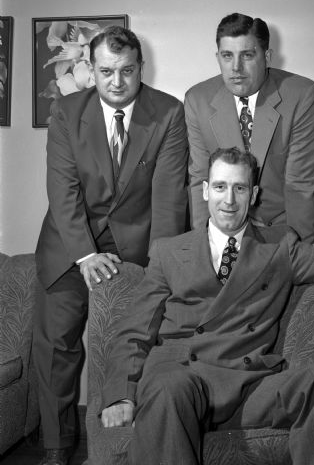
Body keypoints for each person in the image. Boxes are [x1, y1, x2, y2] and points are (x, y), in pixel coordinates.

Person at [99, 146, 314, 465]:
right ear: (206, 190)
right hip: (183, 382)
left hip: (248, 383)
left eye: (240, 188)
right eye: (220, 187)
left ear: (254, 194)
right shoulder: (168, 251)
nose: (229, 200)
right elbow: (134, 332)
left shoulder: (279, 247)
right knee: (168, 386)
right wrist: (121, 395)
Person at [33, 26, 188, 465]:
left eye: (126, 71)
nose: (116, 82)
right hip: (68, 245)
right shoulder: (66, 111)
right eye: (105, 72)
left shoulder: (168, 113)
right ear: (91, 70)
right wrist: (85, 255)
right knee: (57, 347)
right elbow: (62, 190)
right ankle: (56, 447)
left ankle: (124, 444)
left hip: (136, 249)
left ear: (142, 67)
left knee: (129, 343)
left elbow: (168, 198)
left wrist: (160, 270)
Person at [184, 12, 314, 244]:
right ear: (218, 57)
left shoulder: (303, 95)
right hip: (234, 234)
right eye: (227, 56)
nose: (236, 67)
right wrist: (208, 249)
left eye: (247, 55)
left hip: (297, 228)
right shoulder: (198, 100)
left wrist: (299, 256)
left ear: (267, 56)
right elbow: (200, 181)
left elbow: (302, 186)